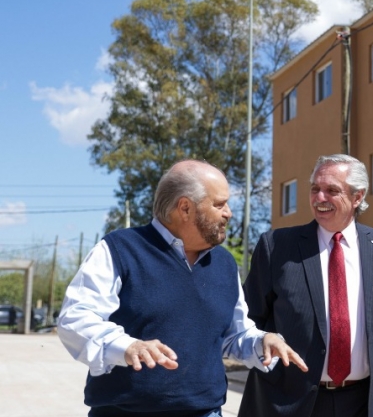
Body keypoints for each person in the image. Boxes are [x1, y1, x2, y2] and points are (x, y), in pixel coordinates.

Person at [57, 159, 308, 417]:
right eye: (219, 204)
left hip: (206, 412)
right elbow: (75, 318)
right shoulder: (119, 250)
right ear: (185, 208)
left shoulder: (224, 264)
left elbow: (232, 336)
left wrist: (262, 340)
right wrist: (128, 347)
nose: (228, 213)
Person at [238, 154, 373, 417]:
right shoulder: (277, 247)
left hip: (361, 402)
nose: (319, 198)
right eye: (315, 188)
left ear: (357, 197)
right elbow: (248, 320)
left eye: (331, 190)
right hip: (288, 400)